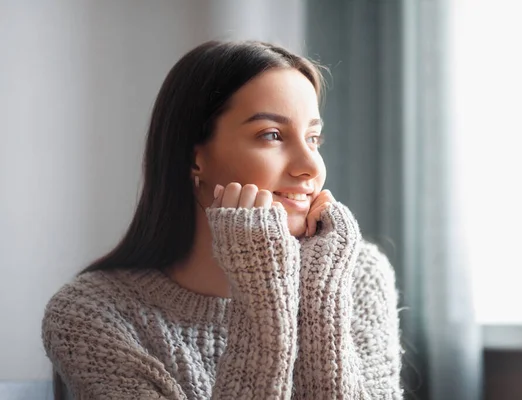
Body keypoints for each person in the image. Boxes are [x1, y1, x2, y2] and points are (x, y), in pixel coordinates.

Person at [42, 40, 403, 399]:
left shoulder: (357, 275)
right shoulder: (90, 314)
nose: (310, 167)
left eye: (314, 138)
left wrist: (320, 291)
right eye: (272, 135)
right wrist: (262, 290)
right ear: (194, 158)